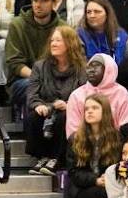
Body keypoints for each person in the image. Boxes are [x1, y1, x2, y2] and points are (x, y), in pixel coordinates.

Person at [25, 26, 87, 174]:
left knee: (64, 117)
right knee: (34, 116)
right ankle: (42, 157)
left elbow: (86, 95)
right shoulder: (40, 66)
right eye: (52, 40)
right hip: (47, 109)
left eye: (58, 40)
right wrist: (39, 105)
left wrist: (69, 105)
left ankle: (57, 158)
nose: (53, 44)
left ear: (70, 43)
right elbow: (32, 95)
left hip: (70, 111)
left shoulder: (82, 69)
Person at [66, 93, 121, 198]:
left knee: (107, 194)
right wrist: (96, 180)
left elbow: (119, 165)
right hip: (81, 190)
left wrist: (109, 179)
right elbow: (74, 173)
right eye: (87, 109)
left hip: (110, 187)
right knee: (100, 194)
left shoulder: (117, 138)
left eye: (95, 108)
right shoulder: (75, 139)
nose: (89, 111)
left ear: (105, 111)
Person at [4, 0, 65, 115]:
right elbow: (14, 63)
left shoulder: (63, 28)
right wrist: (40, 78)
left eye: (44, 1)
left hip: (55, 78)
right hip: (22, 80)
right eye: (35, 0)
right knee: (30, 86)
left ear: (54, 3)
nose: (38, 4)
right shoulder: (17, 25)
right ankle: (32, 132)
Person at [65, 54, 128, 137]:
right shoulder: (76, 95)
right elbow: (72, 130)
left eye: (96, 66)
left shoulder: (121, 93)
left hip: (115, 145)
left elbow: (127, 127)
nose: (91, 70)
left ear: (108, 70)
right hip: (83, 145)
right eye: (89, 67)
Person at [77, 0, 128, 65]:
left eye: (97, 12)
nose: (92, 15)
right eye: (89, 12)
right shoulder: (80, 35)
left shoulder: (121, 36)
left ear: (107, 14)